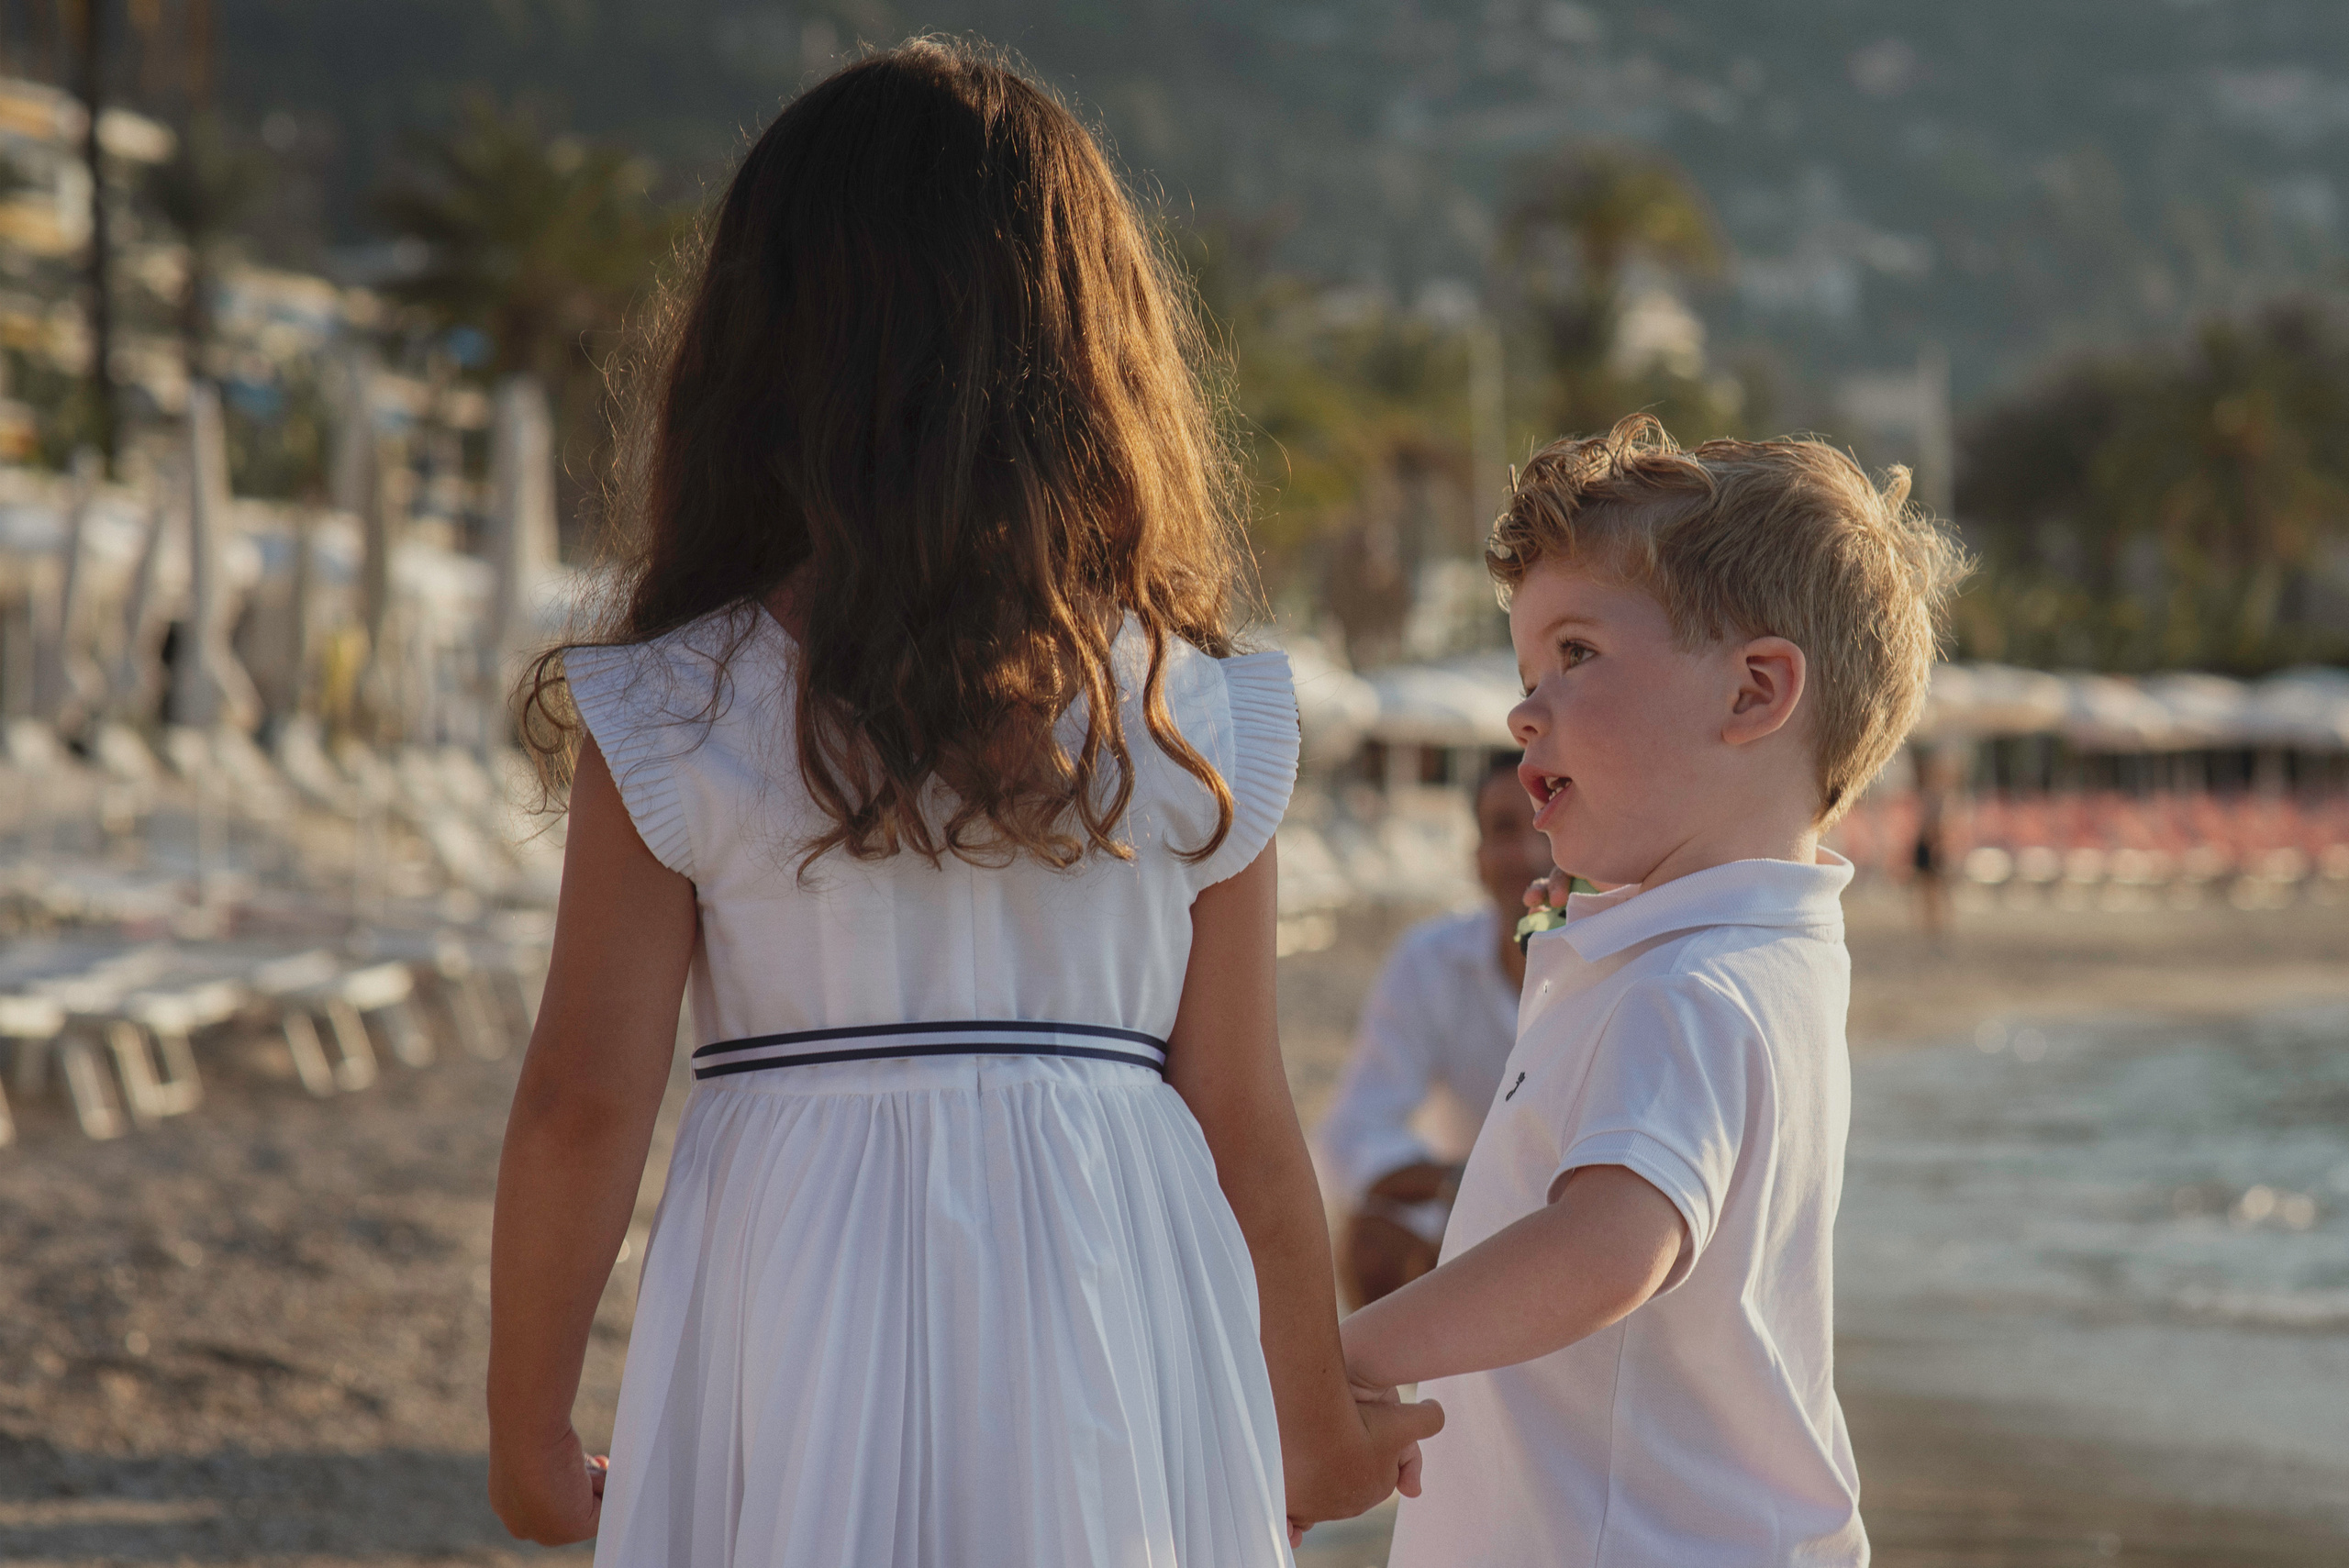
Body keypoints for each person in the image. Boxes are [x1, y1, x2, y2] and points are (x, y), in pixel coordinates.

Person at [483, 41, 1437, 1567]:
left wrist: (527, 1425)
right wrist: (1311, 1411)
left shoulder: (676, 707)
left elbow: (585, 1097)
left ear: (758, 352)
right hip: (1117, 1292)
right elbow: (1244, 1117)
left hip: (797, 1289)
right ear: (1097, 356)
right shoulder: (1190, 717)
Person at [1341, 414, 1966, 1565]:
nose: (1524, 710)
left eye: (1575, 654)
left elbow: (1604, 1248)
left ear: (1752, 693)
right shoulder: (1722, 953)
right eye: (1526, 671)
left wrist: (1348, 1357)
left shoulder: (1694, 982)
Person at [1315, 755, 1553, 1307]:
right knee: (1373, 1241)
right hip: (1467, 1225)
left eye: (1547, 825)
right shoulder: (1431, 960)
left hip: (1599, 1224)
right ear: (1477, 860)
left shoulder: (1622, 963)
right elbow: (1352, 1133)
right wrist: (1464, 1186)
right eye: (1504, 830)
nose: (1532, 855)